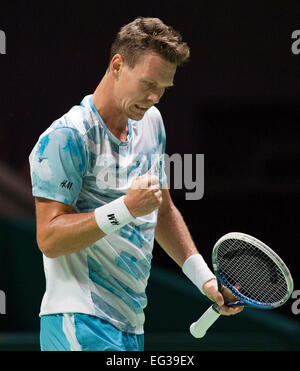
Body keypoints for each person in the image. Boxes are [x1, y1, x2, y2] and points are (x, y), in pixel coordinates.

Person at [29, 17, 243, 351]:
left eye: (164, 88)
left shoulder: (151, 123)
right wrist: (126, 209)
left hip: (132, 325)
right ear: (117, 65)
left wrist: (204, 278)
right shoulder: (68, 137)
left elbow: (162, 208)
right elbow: (49, 237)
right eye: (148, 83)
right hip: (79, 321)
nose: (155, 97)